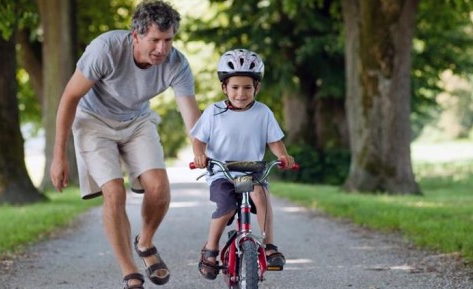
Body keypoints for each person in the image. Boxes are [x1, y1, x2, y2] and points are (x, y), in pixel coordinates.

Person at [49, 1, 200, 288]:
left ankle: (145, 242)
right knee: (114, 193)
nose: (161, 49)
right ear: (136, 35)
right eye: (154, 40)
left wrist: (201, 150)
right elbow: (69, 98)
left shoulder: (176, 63)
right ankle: (130, 271)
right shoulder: (106, 49)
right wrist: (59, 156)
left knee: (158, 188)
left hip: (137, 121)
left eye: (168, 40)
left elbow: (191, 116)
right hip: (94, 121)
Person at [191, 49, 295, 280]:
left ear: (256, 88)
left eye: (247, 87)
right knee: (226, 207)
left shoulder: (263, 112)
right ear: (224, 88)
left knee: (260, 193)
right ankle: (211, 249)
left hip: (251, 170)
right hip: (222, 172)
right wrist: (200, 155)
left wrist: (284, 156)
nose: (241, 93)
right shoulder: (214, 112)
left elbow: (274, 142)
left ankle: (269, 246)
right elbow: (198, 139)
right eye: (235, 87)